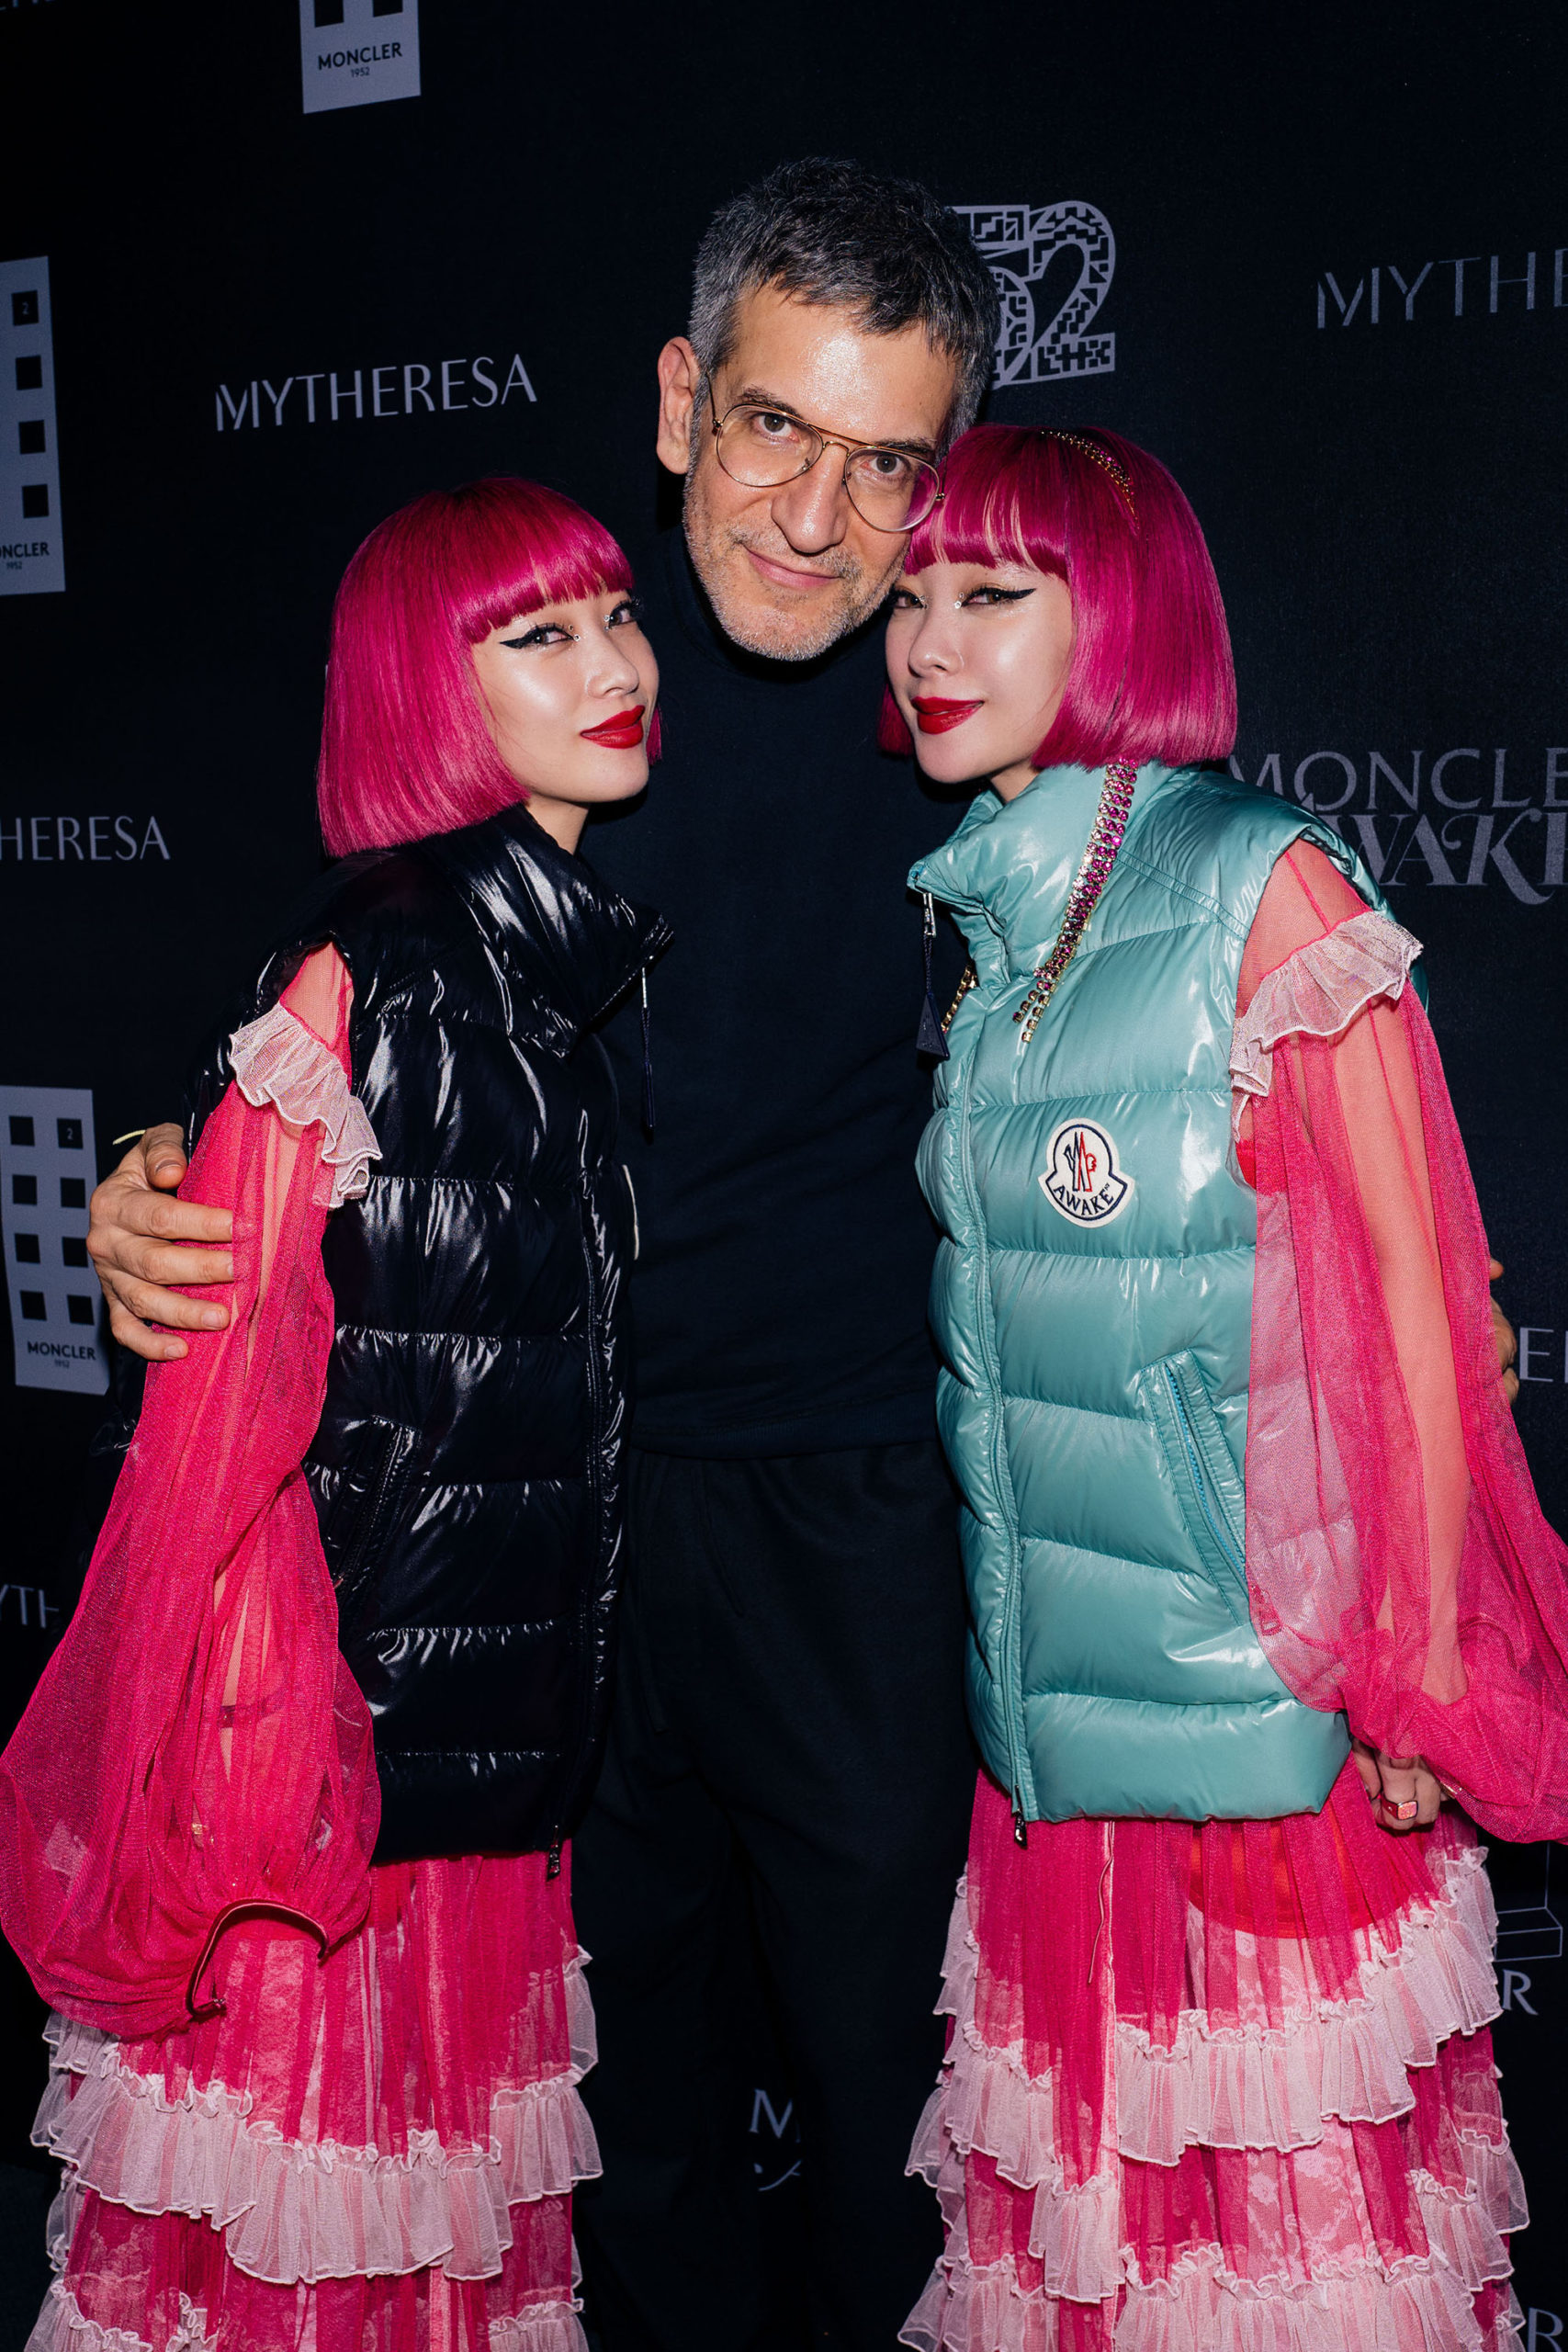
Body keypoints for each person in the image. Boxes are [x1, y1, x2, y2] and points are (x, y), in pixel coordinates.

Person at [77, 162, 1519, 2346]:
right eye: (772, 428)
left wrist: (1401, 1390)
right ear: (681, 401)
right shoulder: (548, 667)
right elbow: (338, 990)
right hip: (554, 1530)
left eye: (888, 465)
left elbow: (1234, 1048)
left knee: (894, 2126)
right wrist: (156, 1170)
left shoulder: (978, 710)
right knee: (613, 2127)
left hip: (874, 1525)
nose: (820, 520)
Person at [882, 422, 1568, 2349]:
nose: (930, 640)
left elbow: (1423, 1318)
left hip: (1264, 1723)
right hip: (1051, 1754)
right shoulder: (987, 916)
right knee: (1109, 2276)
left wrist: (1414, 1665)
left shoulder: (1259, 884)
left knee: (1289, 2274)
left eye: (993, 594)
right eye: (915, 595)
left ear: (1117, 617)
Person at [0, 477, 668, 2352]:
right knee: (295, 2262)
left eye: (615, 615)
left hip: (477, 1777)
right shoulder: (373, 966)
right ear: (424, 688)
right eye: (539, 635)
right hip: (338, 1792)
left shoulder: (566, 977)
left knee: (413, 2264)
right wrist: (243, 1755)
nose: (612, 665)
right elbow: (212, 1426)